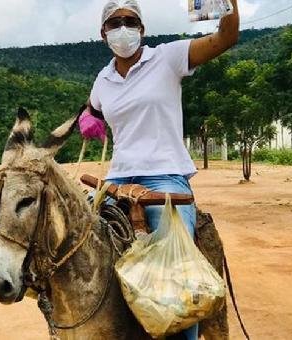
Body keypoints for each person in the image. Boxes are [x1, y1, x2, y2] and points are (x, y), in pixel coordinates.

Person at [82, 0, 239, 339]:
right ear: (103, 33)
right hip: (116, 179)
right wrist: (88, 119)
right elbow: (93, 107)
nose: (123, 28)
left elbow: (225, 38)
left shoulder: (168, 57)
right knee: (74, 245)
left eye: (130, 21)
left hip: (165, 177)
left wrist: (229, 4)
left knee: (178, 278)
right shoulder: (103, 79)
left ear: (142, 29)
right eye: (115, 22)